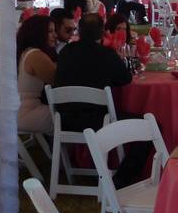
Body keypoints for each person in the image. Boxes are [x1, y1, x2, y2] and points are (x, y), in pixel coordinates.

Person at [53, 14, 145, 188]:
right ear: (103, 33)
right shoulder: (106, 54)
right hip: (98, 121)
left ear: (79, 31)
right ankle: (121, 178)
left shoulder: (65, 52)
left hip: (63, 119)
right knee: (147, 127)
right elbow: (125, 79)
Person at [16, 15, 56, 134]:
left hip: (20, 111)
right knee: (74, 117)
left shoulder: (26, 52)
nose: (55, 35)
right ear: (37, 33)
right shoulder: (35, 55)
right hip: (28, 113)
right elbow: (57, 81)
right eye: (50, 32)